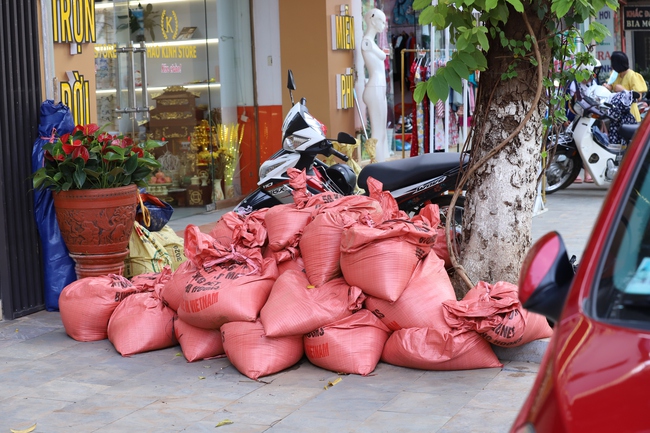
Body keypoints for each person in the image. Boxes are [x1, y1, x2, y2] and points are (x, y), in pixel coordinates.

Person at [361, 8, 389, 162]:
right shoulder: (367, 42)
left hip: (379, 88)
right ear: (372, 20)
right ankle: (379, 168)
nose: (384, 25)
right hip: (374, 88)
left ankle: (382, 165)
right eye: (382, 21)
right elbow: (382, 56)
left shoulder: (370, 42)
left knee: (382, 132)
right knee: (377, 133)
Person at [602, 51, 647, 122]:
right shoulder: (615, 74)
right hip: (616, 113)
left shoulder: (633, 76)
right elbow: (611, 86)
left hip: (630, 114)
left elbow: (639, 97)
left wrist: (623, 90)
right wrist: (608, 87)